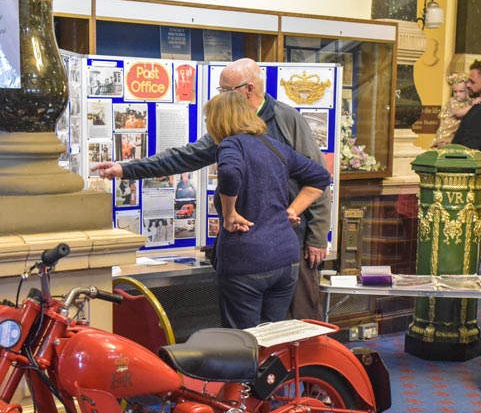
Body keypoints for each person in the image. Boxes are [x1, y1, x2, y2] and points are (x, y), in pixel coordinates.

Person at [92, 58, 331, 321]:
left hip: (287, 244)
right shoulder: (233, 132)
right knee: (270, 330)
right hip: (270, 246)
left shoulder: (286, 121)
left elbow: (319, 177)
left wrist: (316, 235)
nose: (221, 97)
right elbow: (183, 156)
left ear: (249, 89)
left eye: (225, 91)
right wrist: (127, 169)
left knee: (297, 322)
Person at [204, 91, 331, 328]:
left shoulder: (231, 144)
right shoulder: (274, 146)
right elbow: (320, 177)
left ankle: (251, 367)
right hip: (284, 260)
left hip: (246, 261)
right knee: (272, 337)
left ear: (218, 120)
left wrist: (229, 212)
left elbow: (230, 172)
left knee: (244, 341)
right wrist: (293, 210)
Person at [452, 59, 481, 155]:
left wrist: (448, 151)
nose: (468, 85)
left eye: (472, 82)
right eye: (468, 81)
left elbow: (468, 149)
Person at [432, 73, 473, 148]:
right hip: (448, 131)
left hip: (458, 131)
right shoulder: (453, 101)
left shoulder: (469, 101)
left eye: (461, 91)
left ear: (468, 90)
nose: (457, 94)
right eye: (455, 91)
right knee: (445, 148)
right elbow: (458, 113)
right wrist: (473, 106)